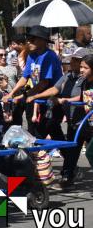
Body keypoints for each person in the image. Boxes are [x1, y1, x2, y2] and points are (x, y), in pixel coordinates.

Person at [26, 48, 89, 187]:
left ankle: (68, 175)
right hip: (73, 121)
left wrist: (64, 100)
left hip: (86, 121)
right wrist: (36, 96)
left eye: (77, 60)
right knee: (72, 150)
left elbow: (84, 96)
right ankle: (67, 177)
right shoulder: (68, 75)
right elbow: (55, 89)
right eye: (73, 59)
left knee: (87, 151)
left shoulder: (86, 79)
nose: (72, 62)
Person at [3, 26, 63, 136]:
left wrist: (23, 96)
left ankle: (65, 152)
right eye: (28, 39)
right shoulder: (31, 55)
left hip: (51, 98)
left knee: (42, 132)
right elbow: (24, 77)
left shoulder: (49, 56)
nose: (28, 42)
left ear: (43, 41)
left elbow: (44, 83)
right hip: (37, 97)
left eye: (32, 39)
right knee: (49, 131)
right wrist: (11, 94)